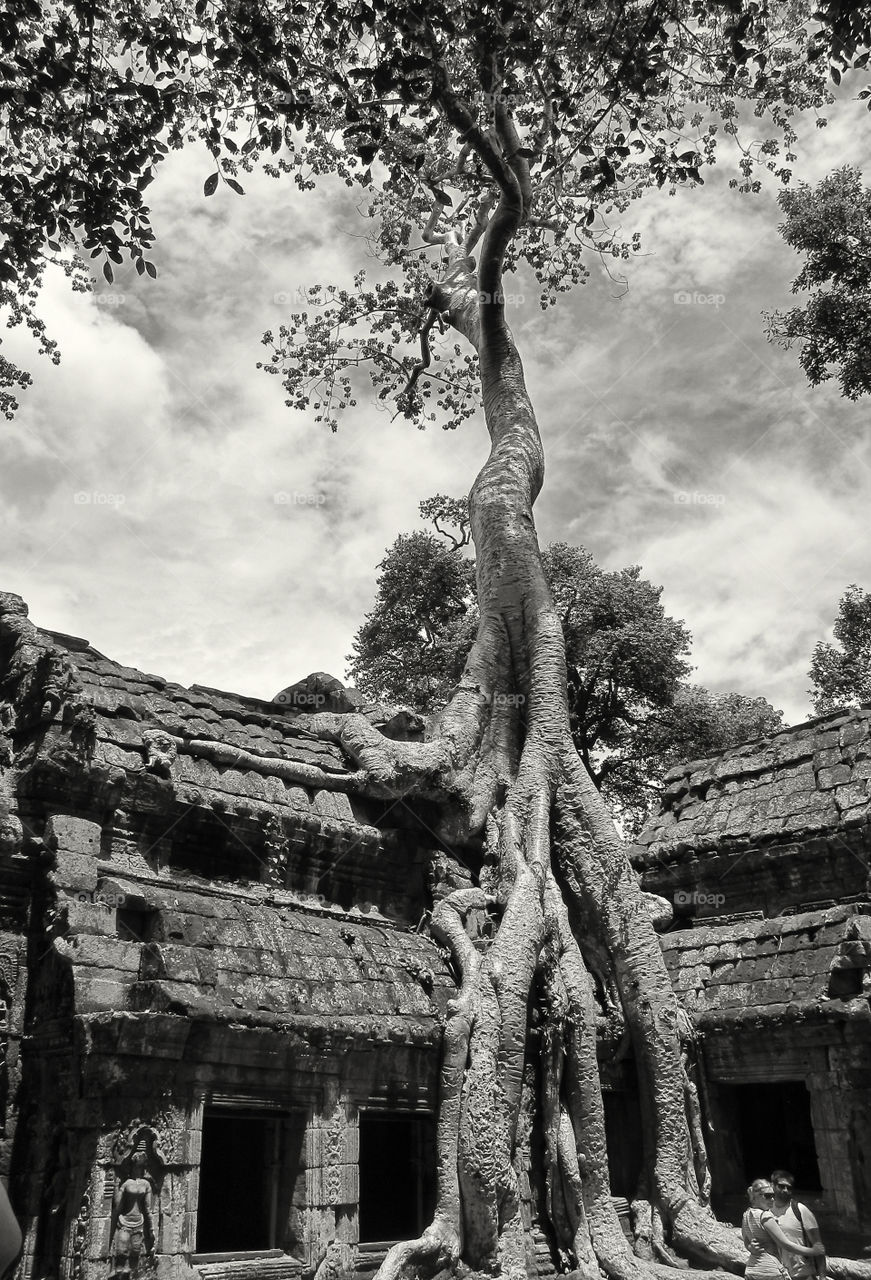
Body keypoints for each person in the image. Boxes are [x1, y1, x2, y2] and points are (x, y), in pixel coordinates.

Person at [743, 1179, 825, 1280]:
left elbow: (746, 1240)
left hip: (751, 1270)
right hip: (770, 1270)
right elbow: (785, 1244)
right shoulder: (765, 1215)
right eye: (767, 1196)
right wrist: (813, 1251)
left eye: (773, 1195)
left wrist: (750, 1247)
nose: (772, 1199)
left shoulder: (746, 1214)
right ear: (755, 1197)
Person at [770, 1169, 826, 1280]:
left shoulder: (801, 1211)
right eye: (781, 1186)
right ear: (772, 1185)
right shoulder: (766, 1212)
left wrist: (823, 1277)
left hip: (802, 1275)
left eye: (789, 1188)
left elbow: (818, 1247)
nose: (785, 1190)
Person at [109, 1153, 154, 1280]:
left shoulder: (146, 1184)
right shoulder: (126, 1183)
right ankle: (118, 1273)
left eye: (140, 1167)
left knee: (135, 1252)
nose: (137, 1170)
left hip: (138, 1222)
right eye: (135, 1167)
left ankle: (131, 1275)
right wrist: (117, 1187)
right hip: (124, 1222)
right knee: (121, 1251)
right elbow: (117, 1206)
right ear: (131, 1167)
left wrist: (151, 1229)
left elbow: (148, 1208)